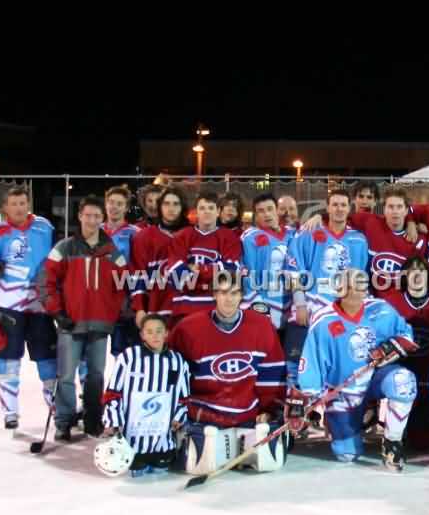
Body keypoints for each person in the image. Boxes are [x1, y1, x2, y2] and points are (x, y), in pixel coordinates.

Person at [297, 269, 418, 469]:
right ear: (341, 289)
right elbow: (312, 362)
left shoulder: (381, 310)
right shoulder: (323, 320)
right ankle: (355, 420)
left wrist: (389, 347)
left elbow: (407, 335)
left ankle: (393, 442)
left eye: (362, 286)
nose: (359, 291)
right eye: (353, 287)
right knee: (347, 454)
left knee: (404, 382)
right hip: (343, 392)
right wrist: (313, 399)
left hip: (375, 379)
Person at [169, 275, 289, 475]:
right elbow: (173, 374)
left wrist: (269, 410)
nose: (229, 299)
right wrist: (177, 412)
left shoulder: (261, 326)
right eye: (223, 292)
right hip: (205, 414)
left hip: (247, 414)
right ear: (214, 294)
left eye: (234, 293)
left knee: (268, 463)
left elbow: (271, 372)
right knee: (201, 466)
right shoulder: (188, 328)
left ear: (241, 295)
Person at [41, 196, 130, 440]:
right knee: (66, 376)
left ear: (103, 218)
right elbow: (46, 282)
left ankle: (92, 419)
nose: (92, 220)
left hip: (100, 324)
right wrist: (58, 312)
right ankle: (64, 421)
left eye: (97, 216)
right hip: (71, 322)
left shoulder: (112, 251)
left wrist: (115, 313)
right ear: (80, 216)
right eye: (88, 215)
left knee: (96, 375)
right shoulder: (64, 248)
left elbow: (123, 285)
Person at [0, 185, 57, 430]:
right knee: (8, 361)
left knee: (48, 360)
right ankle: (10, 411)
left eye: (23, 203)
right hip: (8, 308)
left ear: (28, 205)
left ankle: (57, 408)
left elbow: (57, 264)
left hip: (40, 308)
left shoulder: (44, 227)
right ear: (5, 208)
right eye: (14, 204)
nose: (19, 208)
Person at [283, 189, 370, 387]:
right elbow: (293, 270)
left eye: (343, 205)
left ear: (349, 208)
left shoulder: (358, 240)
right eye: (335, 204)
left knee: (333, 365)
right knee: (295, 365)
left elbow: (361, 281)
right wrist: (300, 304)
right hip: (309, 309)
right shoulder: (309, 233)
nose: (339, 209)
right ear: (328, 208)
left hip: (341, 312)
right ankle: (295, 402)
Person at [101, 313, 191, 476]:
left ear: (166, 333)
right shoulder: (128, 357)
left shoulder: (177, 361)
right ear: (142, 335)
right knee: (138, 476)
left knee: (161, 477)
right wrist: (114, 420)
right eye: (149, 332)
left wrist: (179, 416)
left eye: (159, 331)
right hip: (132, 442)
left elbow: (184, 397)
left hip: (163, 440)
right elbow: (113, 393)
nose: (155, 335)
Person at [380, 256, 429, 451]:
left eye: (421, 270)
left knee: (421, 443)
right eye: (411, 270)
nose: (416, 274)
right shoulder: (391, 303)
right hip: (400, 371)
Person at [164, 191, 243, 320]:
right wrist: (214, 273)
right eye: (202, 208)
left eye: (211, 208)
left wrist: (198, 270)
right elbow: (175, 273)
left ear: (218, 211)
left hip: (217, 308)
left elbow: (231, 271)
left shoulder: (230, 238)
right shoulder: (182, 236)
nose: (207, 212)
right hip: (184, 308)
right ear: (196, 212)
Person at [129, 185, 189, 326]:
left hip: (187, 310)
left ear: (182, 207)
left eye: (176, 204)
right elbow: (137, 275)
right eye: (166, 204)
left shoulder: (193, 234)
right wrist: (139, 309)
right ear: (160, 207)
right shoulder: (143, 237)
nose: (171, 208)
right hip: (156, 310)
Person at [240, 193, 296, 330]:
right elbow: (247, 276)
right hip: (266, 307)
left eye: (270, 209)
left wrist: (320, 217)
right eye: (261, 211)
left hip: (293, 308)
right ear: (255, 215)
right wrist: (260, 309)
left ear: (277, 210)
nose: (266, 214)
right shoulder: (250, 238)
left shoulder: (294, 233)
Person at [103, 185, 140, 355]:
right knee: (90, 353)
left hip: (123, 300)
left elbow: (139, 267)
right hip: (96, 299)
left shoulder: (135, 233)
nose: (114, 207)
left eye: (119, 204)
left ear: (126, 208)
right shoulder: (94, 229)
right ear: (105, 204)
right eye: (111, 202)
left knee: (122, 351)